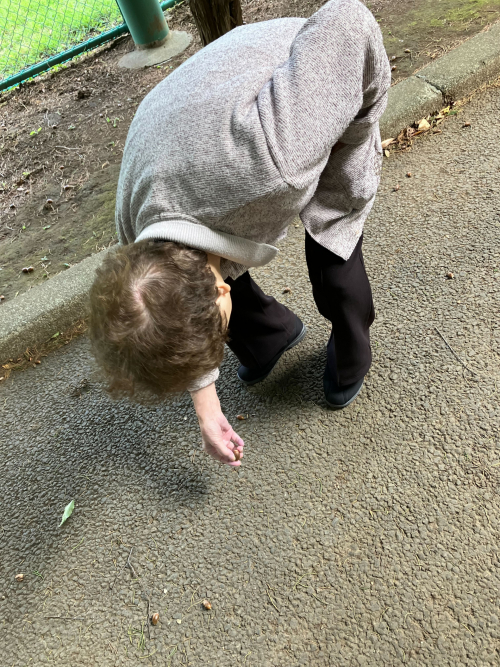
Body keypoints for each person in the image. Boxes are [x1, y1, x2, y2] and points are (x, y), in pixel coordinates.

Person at [89, 0, 391, 467]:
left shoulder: (277, 159)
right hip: (213, 108)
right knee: (209, 291)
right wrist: (205, 406)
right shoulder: (137, 242)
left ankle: (353, 352)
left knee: (334, 251)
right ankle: (272, 336)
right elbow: (170, 308)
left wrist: (354, 141)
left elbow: (348, 21)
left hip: (320, 83)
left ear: (220, 289)